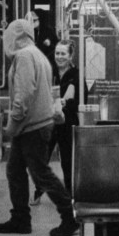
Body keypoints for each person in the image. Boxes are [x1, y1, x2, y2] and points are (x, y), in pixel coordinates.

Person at [0, 19, 79, 236]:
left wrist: (12, 123)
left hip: (32, 125)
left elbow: (24, 94)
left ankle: (69, 217)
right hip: (35, 124)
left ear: (14, 36)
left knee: (41, 174)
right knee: (15, 171)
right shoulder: (39, 55)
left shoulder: (24, 56)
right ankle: (20, 218)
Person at [32, 39, 79, 204]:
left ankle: (70, 195)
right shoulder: (49, 72)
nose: (59, 56)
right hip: (48, 122)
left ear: (70, 56)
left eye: (63, 53)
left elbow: (78, 100)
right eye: (57, 53)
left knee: (67, 161)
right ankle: (38, 191)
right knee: (42, 158)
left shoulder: (76, 75)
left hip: (67, 123)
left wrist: (64, 102)